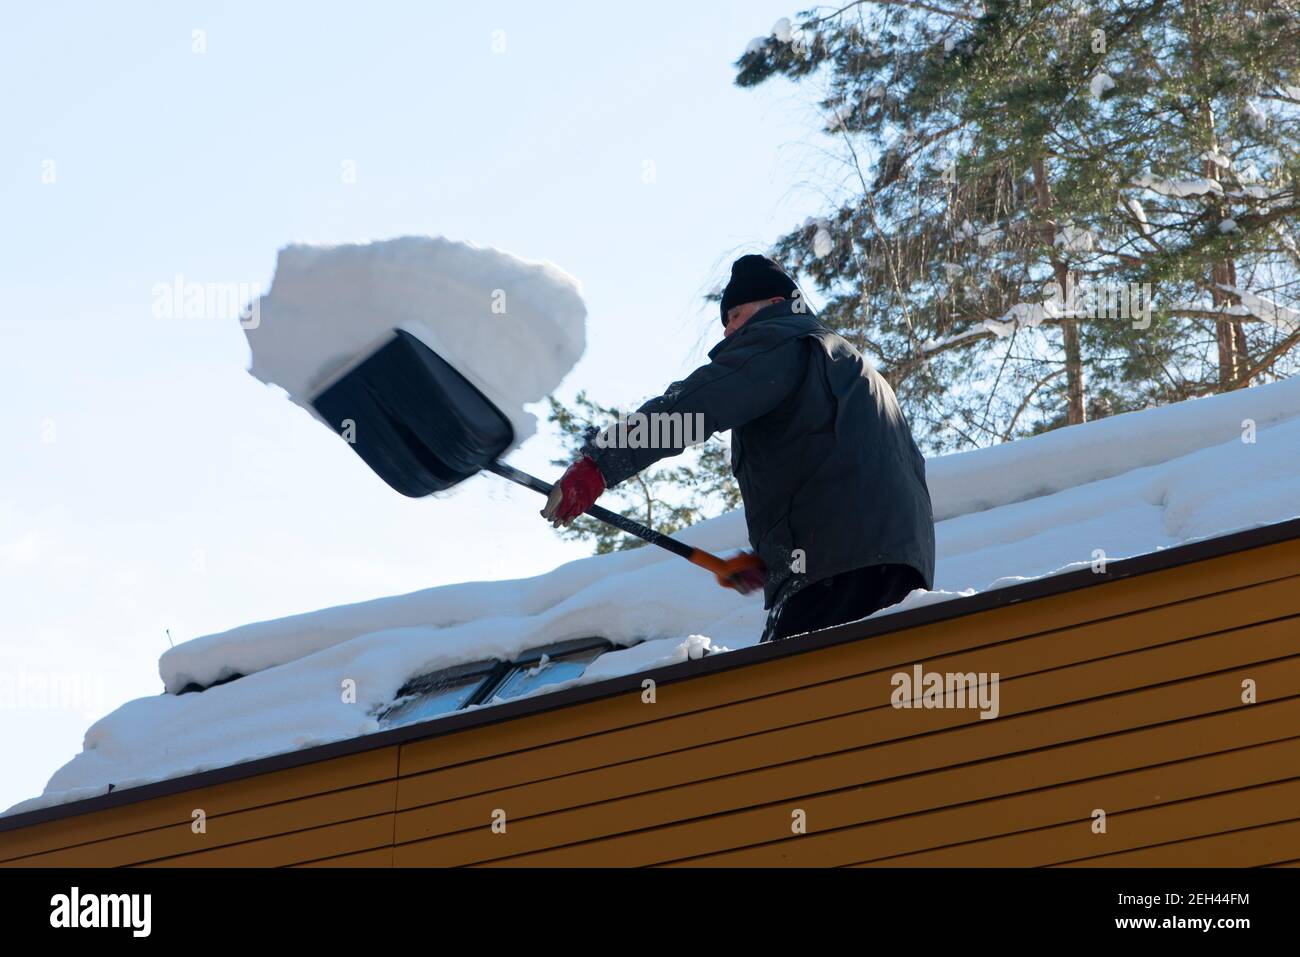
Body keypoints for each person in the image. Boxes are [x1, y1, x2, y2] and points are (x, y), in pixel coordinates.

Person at [542, 254, 935, 642]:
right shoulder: (853, 369)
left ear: (776, 305)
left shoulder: (782, 338)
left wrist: (600, 464)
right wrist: (772, 562)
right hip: (898, 569)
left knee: (776, 693)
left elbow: (692, 407)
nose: (728, 332)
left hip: (833, 574)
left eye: (734, 316)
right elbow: (838, 473)